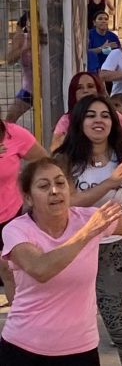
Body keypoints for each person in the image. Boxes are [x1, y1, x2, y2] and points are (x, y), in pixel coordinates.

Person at [0, 158, 122, 364]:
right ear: (28, 198)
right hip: (24, 348)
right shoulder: (17, 230)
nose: (54, 190)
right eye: (44, 186)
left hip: (82, 348)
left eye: (60, 183)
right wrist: (88, 232)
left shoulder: (88, 218)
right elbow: (40, 269)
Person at [53, 95, 122, 366]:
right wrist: (110, 184)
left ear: (114, 122)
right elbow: (66, 205)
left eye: (105, 115)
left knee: (120, 329)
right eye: (90, 115)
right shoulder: (63, 160)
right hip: (71, 250)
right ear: (79, 122)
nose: (98, 120)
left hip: (110, 251)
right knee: (67, 331)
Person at [0, 120, 47, 303]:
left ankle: (17, 324)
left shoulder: (13, 134)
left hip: (10, 215)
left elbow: (43, 161)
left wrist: (29, 192)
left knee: (9, 270)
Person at [50, 73, 122, 153]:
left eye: (90, 86)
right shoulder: (67, 120)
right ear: (73, 93)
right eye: (79, 88)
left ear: (98, 90)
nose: (85, 91)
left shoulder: (113, 115)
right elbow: (55, 150)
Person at [4, 12, 35, 123]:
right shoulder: (22, 39)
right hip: (29, 89)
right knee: (10, 118)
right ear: (27, 23)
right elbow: (9, 60)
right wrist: (25, 48)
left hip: (47, 90)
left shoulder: (51, 38)